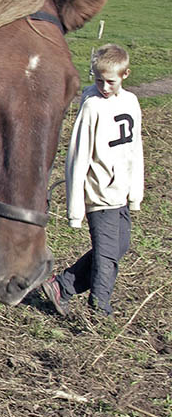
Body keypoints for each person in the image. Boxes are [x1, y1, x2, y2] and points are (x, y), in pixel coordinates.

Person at [42, 44, 144, 317]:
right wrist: (75, 211)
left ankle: (62, 285)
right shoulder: (91, 107)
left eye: (110, 81)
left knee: (118, 248)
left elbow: (135, 149)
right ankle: (100, 309)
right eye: (99, 80)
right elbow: (77, 158)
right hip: (99, 194)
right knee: (107, 255)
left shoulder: (131, 102)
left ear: (125, 74)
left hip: (120, 192)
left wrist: (135, 193)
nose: (104, 87)